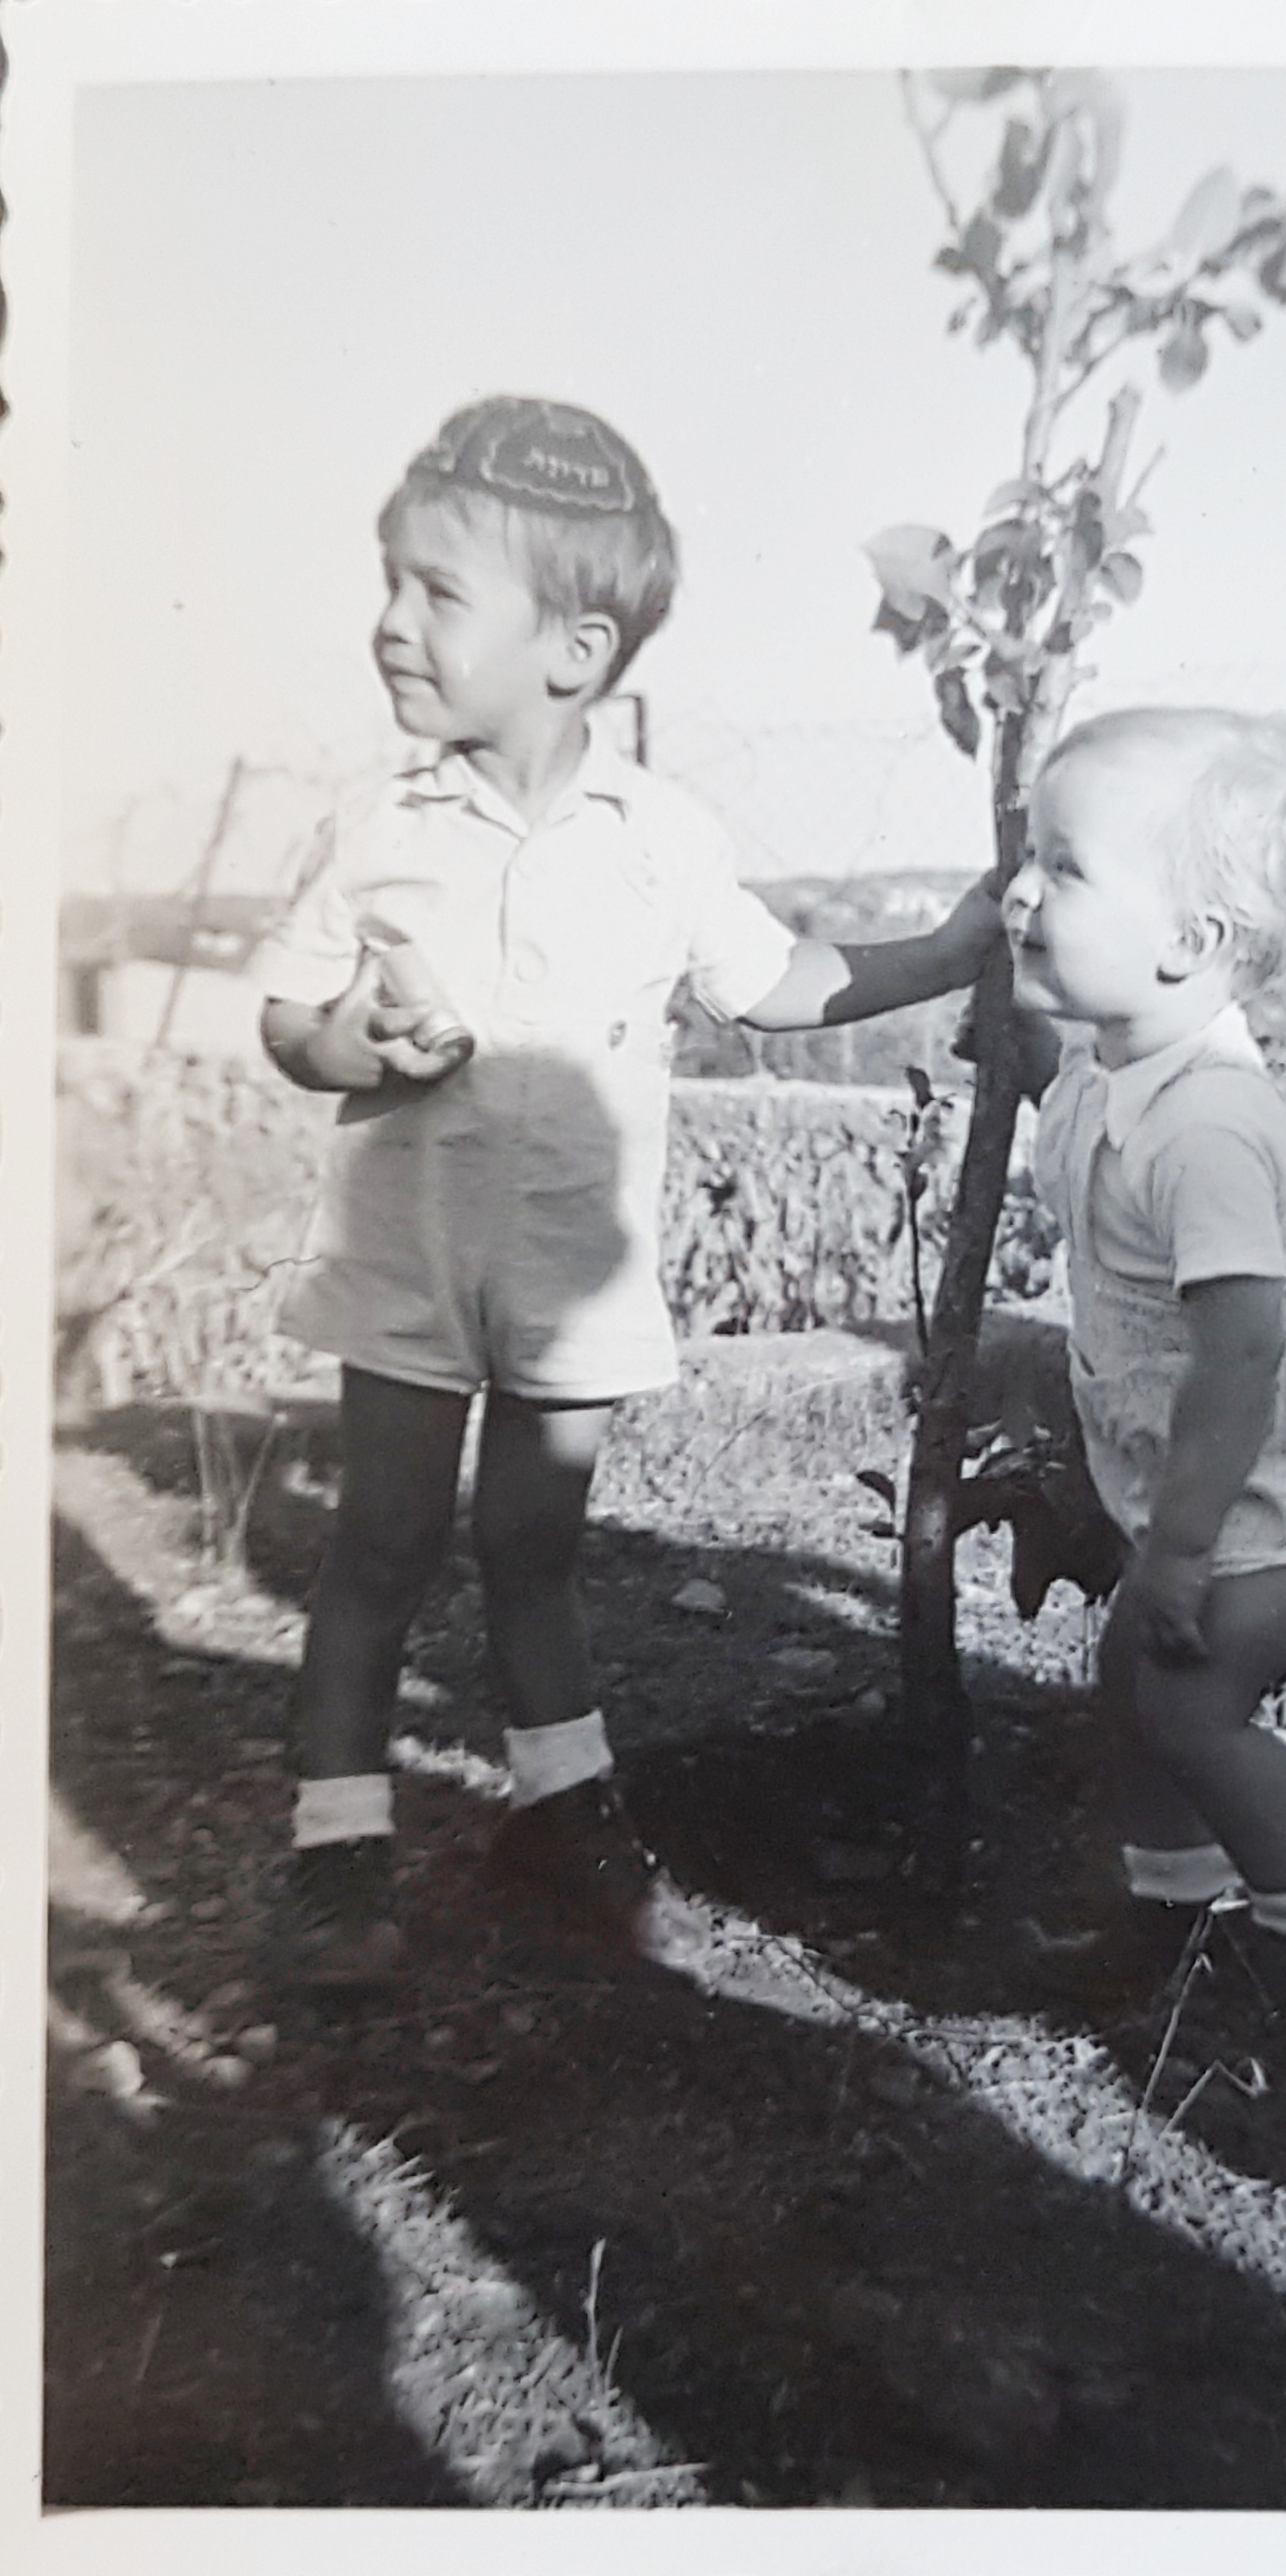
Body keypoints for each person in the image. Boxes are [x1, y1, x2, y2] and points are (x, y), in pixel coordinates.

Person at [251, 395, 1000, 1988]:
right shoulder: (380, 827)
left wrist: (946, 950)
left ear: (575, 652)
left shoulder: (660, 837)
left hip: (569, 1274)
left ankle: (561, 1810)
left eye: (437, 593)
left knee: (534, 1548)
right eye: (390, 583)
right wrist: (349, 1045)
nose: (390, 623)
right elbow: (292, 1020)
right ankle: (336, 1850)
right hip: (406, 1256)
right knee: (380, 1543)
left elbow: (776, 983)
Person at [1004, 707, 1286, 1943]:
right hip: (1212, 1487)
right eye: (1027, 857)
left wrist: (1179, 1550)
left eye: (1062, 869)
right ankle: (1174, 1908)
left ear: (1188, 942)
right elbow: (1067, 1106)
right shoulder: (1112, 1070)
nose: (1017, 892)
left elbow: (1245, 1350)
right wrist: (1014, 1030)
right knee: (1132, 1685)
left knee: (1188, 1706)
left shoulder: (1212, 1129)